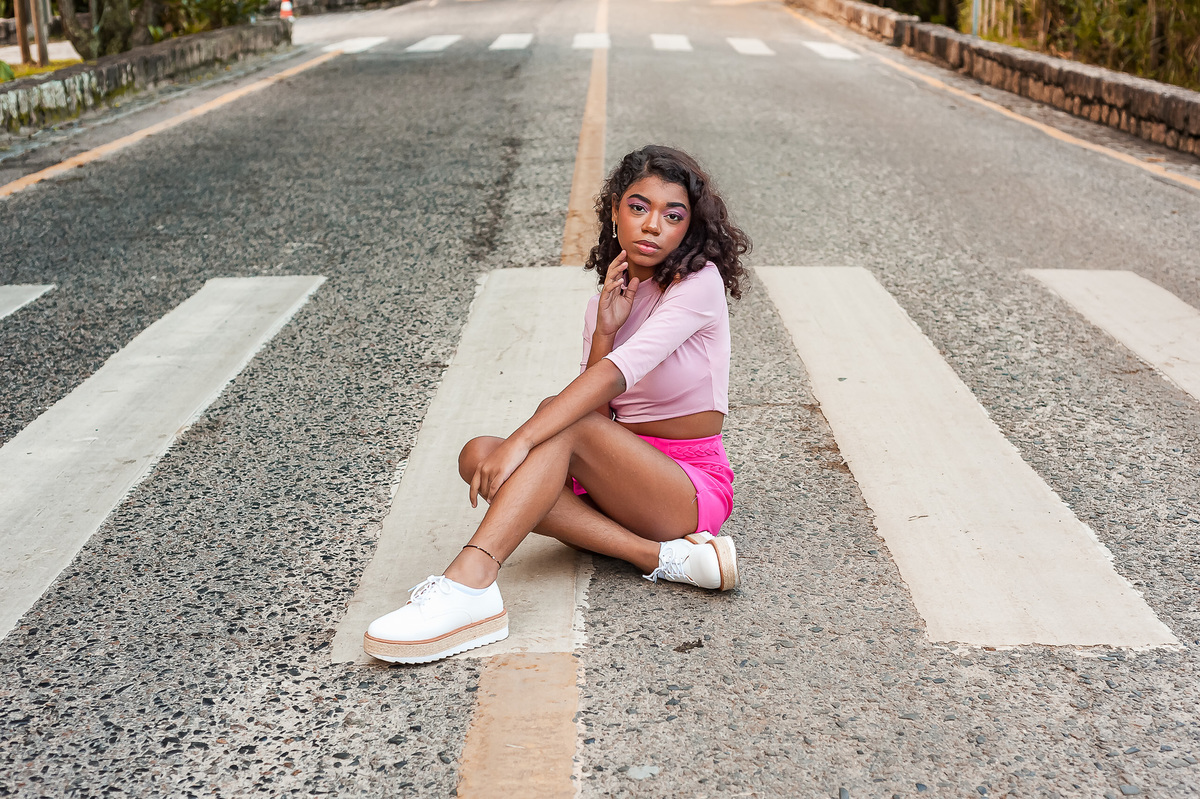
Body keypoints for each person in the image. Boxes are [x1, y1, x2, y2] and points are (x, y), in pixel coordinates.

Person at [363, 145, 751, 665]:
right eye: (638, 207)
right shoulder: (605, 302)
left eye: (672, 215)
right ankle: (659, 557)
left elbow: (611, 382)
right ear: (615, 209)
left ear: (689, 227)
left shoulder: (698, 285)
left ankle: (471, 583)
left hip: (685, 486)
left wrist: (523, 440)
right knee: (479, 453)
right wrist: (606, 330)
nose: (653, 225)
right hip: (619, 482)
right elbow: (603, 412)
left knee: (553, 426)